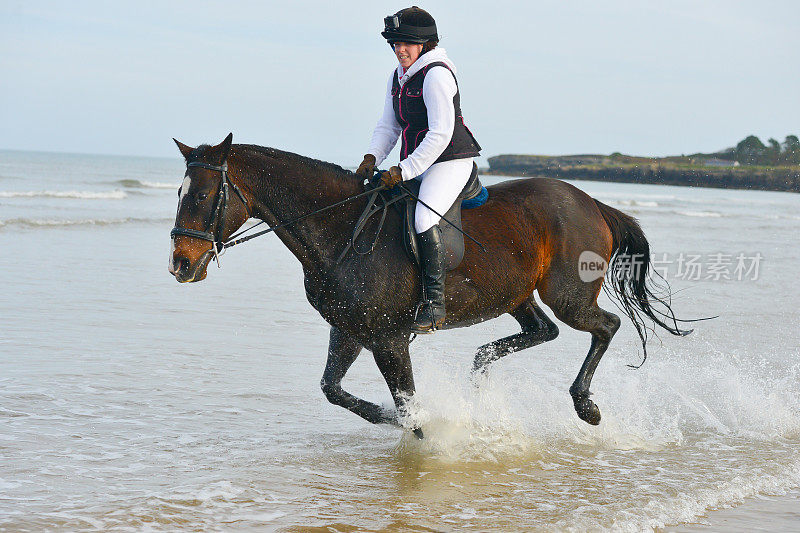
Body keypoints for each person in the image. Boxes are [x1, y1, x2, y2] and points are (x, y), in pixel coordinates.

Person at [356, 6, 481, 333]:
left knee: (424, 218)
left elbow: (440, 134)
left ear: (425, 44)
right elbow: (389, 125)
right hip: (417, 163)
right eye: (395, 44)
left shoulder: (436, 74)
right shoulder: (398, 77)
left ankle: (435, 304)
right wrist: (372, 158)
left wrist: (403, 170)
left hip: (450, 161)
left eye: (406, 43)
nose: (400, 50)